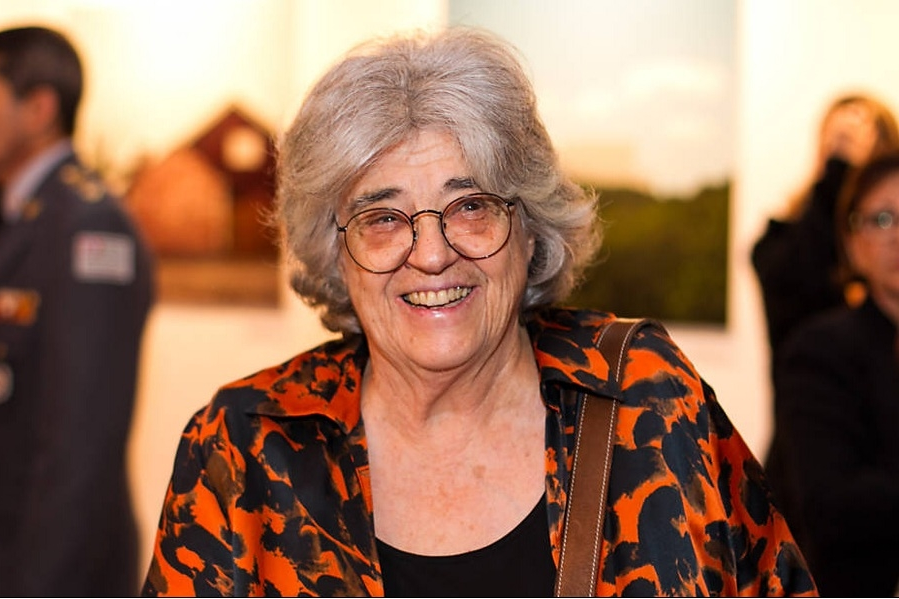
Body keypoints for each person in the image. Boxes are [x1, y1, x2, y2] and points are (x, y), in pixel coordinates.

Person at [141, 27, 816, 597]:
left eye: (470, 206)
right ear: (335, 253)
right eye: (383, 218)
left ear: (529, 230)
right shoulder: (244, 447)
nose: (433, 254)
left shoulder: (645, 396)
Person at [0, 26, 154, 596]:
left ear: (40, 109)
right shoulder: (19, 218)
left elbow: (80, 449)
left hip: (49, 571)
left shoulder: (87, 227)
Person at [751, 93, 899, 546]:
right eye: (881, 219)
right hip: (813, 469)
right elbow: (833, 503)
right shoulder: (788, 247)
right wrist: (836, 175)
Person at [769, 152, 899, 597]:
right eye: (882, 219)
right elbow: (831, 504)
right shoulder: (818, 351)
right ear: (853, 242)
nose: (897, 235)